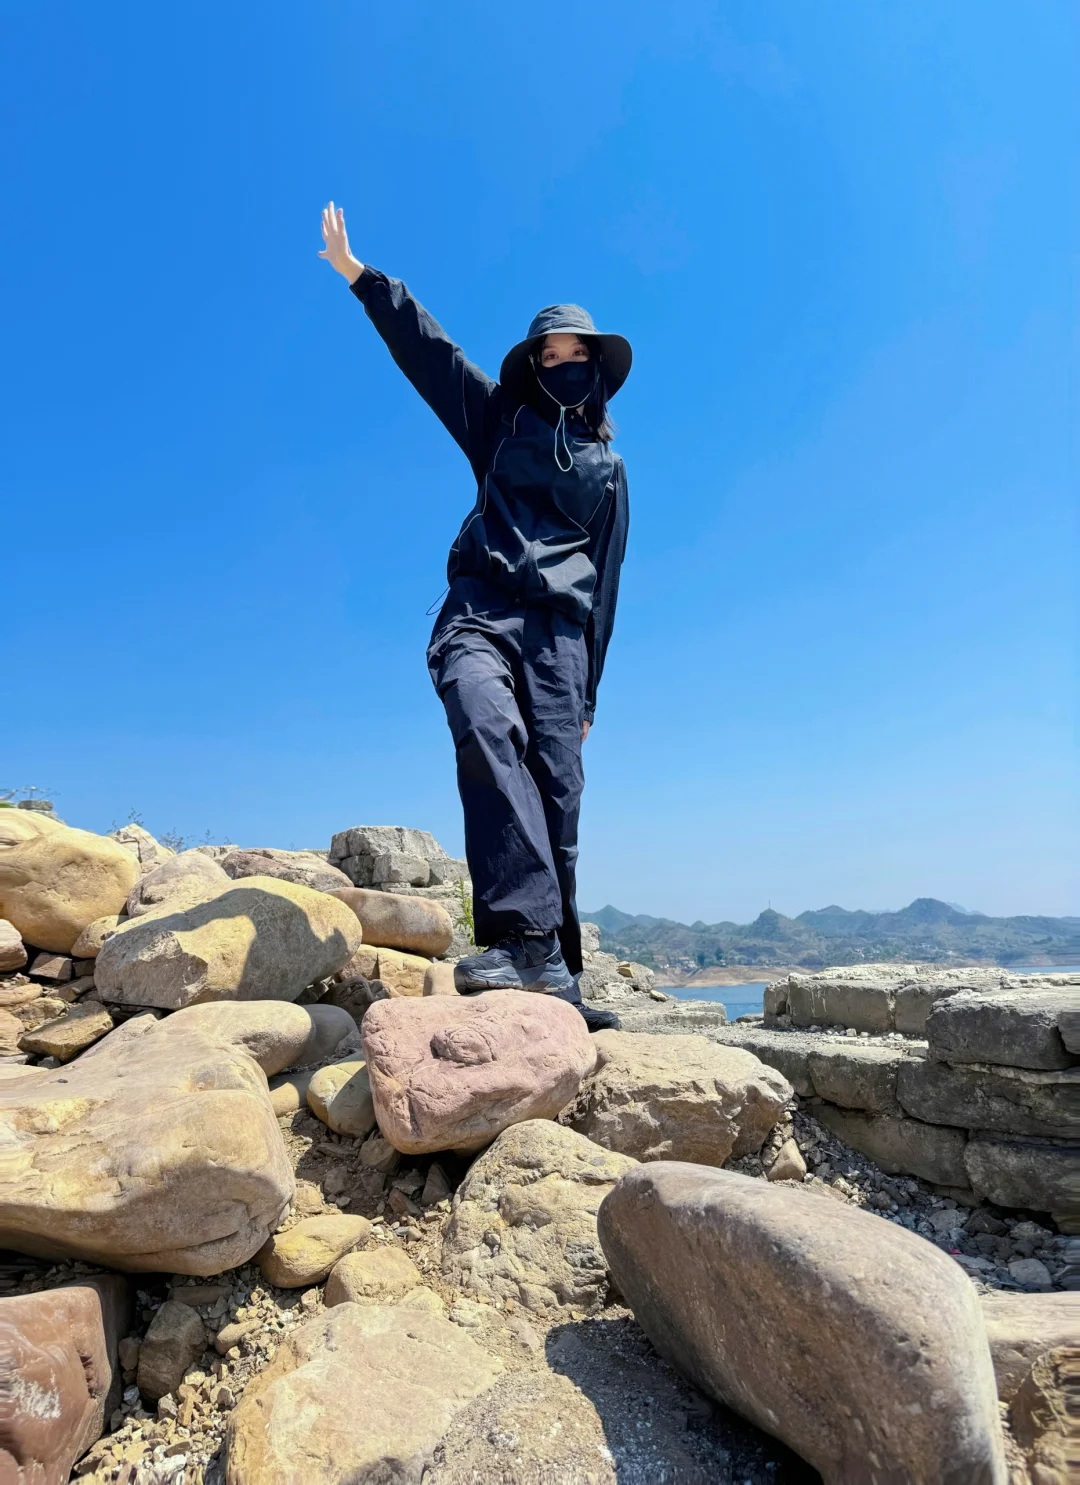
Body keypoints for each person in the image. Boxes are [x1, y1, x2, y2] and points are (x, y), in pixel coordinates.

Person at [320, 203, 631, 1031]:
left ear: (593, 367)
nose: (563, 364)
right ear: (534, 365)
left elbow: (607, 585)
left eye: (576, 354)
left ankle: (554, 970)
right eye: (550, 354)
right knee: (481, 716)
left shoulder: (609, 469)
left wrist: (590, 694)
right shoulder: (499, 423)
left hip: (562, 638)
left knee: (558, 794)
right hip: (482, 609)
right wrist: (363, 279)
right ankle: (521, 938)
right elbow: (432, 355)